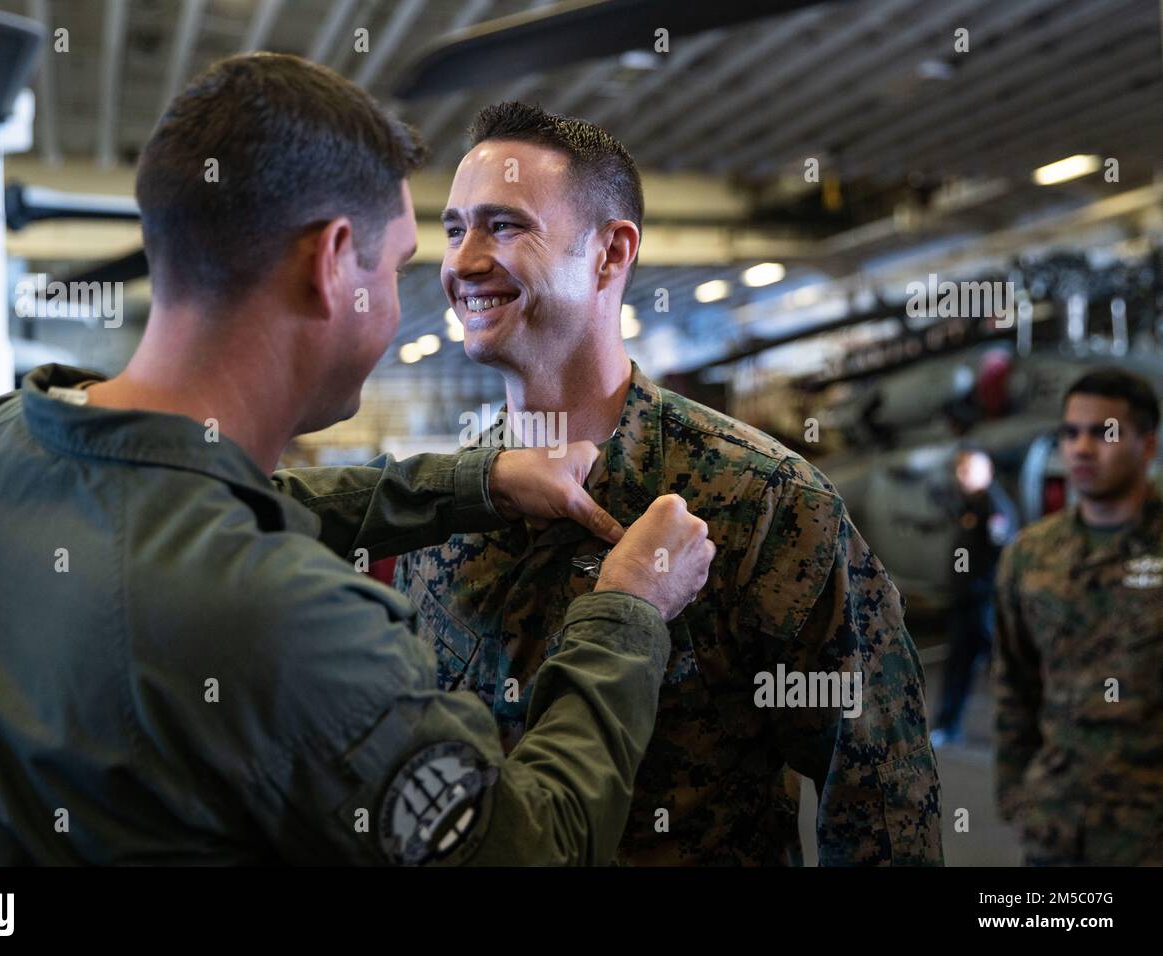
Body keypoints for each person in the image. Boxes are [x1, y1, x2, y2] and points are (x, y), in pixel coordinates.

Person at [0, 54, 716, 866]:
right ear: (330, 266)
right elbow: (534, 847)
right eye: (395, 268)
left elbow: (212, 501)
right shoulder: (288, 624)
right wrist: (628, 611)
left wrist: (476, 482)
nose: (421, 292)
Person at [395, 101, 943, 866]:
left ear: (611, 254)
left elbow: (879, 794)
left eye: (503, 226)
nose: (460, 261)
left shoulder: (761, 499)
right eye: (454, 228)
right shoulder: (443, 506)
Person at [993, 367, 1163, 865]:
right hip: (1057, 824)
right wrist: (1016, 793)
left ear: (1147, 445)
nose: (1081, 448)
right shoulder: (1031, 554)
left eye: (1103, 433)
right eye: (1071, 433)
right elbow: (1012, 683)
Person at [930, 447, 1017, 748]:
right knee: (958, 662)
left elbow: (1003, 554)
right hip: (965, 600)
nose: (962, 477)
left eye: (969, 471)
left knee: (1006, 663)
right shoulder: (969, 506)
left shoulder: (994, 508)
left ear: (987, 472)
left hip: (985, 602)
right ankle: (947, 723)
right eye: (961, 470)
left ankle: (1021, 726)